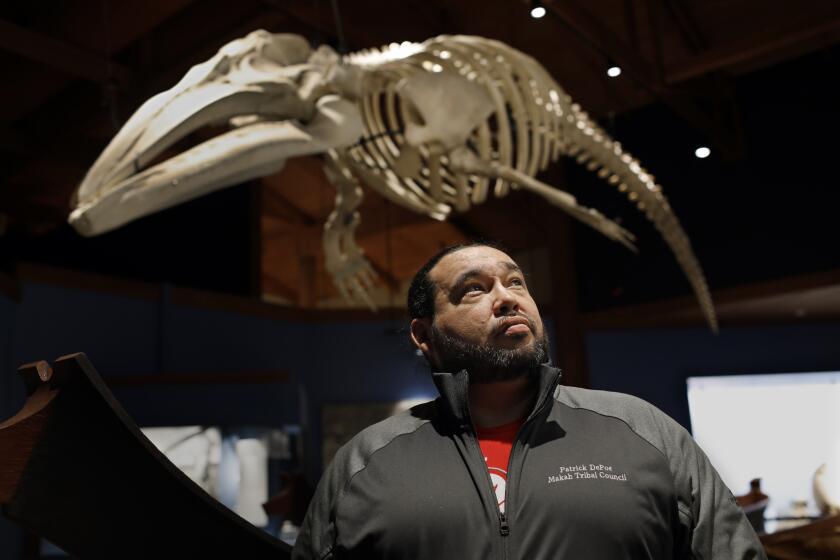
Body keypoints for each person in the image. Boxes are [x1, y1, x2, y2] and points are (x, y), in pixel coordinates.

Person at [292, 242, 766, 559]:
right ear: (424, 334)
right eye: (473, 289)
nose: (507, 298)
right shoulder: (366, 461)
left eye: (516, 283)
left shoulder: (642, 430)